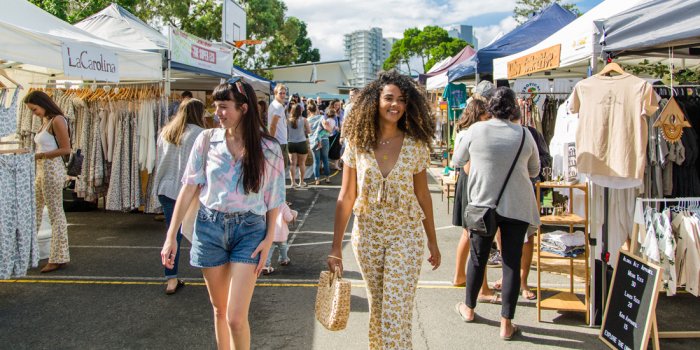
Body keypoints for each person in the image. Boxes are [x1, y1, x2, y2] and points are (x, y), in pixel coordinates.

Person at [160, 79, 285, 350]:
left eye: (224, 107)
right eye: (215, 107)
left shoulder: (269, 148)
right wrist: (171, 236)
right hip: (209, 227)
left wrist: (268, 241)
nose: (217, 113)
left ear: (244, 108)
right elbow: (189, 187)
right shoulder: (206, 140)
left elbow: (274, 197)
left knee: (236, 317)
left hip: (250, 229)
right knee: (219, 310)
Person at [328, 70, 440, 349]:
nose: (396, 105)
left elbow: (423, 194)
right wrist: (335, 247)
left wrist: (433, 240)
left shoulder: (416, 145)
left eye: (401, 100)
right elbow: (346, 195)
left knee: (395, 309)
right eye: (389, 98)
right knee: (379, 309)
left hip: (406, 235)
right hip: (367, 237)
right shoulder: (357, 143)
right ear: (374, 101)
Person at [452, 87, 540, 340]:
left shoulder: (476, 130)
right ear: (514, 108)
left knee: (478, 258)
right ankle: (506, 324)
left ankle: (468, 308)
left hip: (482, 204)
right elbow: (534, 171)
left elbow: (458, 160)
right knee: (511, 262)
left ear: (490, 107)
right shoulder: (524, 134)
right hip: (517, 205)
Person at [154, 98, 206, 294]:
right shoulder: (201, 134)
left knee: (172, 234)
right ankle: (208, 272)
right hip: (191, 191)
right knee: (199, 232)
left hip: (166, 188)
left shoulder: (166, 133)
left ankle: (171, 279)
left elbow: (159, 161)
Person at [451, 99, 499, 302]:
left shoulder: (464, 132)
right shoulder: (474, 133)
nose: (489, 120)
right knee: (478, 236)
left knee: (468, 233)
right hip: (473, 184)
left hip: (466, 183)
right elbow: (467, 165)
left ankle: (459, 275)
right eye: (487, 116)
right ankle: (483, 288)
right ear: (479, 116)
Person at [24, 91, 71, 273]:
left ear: (42, 104)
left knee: (55, 213)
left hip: (51, 169)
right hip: (43, 169)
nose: (33, 113)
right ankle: (30, 252)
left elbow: (66, 149)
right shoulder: (46, 121)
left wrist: (40, 155)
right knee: (35, 209)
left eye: (34, 109)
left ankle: (58, 256)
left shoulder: (57, 120)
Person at [262, 201, 297, 274]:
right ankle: (284, 259)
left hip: (269, 233)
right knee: (283, 248)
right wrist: (293, 215)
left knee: (268, 250)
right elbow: (289, 218)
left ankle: (266, 265)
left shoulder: (266, 203)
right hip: (281, 234)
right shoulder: (283, 205)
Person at [268, 84, 290, 181]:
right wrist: (271, 142)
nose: (282, 95)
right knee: (280, 169)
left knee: (276, 169)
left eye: (284, 93)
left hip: (279, 141)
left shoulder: (274, 105)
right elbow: (273, 126)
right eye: (280, 93)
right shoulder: (278, 106)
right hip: (279, 142)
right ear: (275, 93)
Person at [286, 104, 311, 188]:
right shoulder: (304, 120)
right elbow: (309, 131)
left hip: (291, 143)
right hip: (301, 142)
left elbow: (286, 132)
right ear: (300, 111)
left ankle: (293, 183)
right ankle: (301, 182)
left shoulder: (288, 120)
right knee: (302, 163)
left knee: (292, 164)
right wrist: (302, 131)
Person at [308, 102, 332, 185]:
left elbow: (307, 132)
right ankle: (327, 178)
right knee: (325, 159)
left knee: (316, 161)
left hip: (313, 141)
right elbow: (326, 127)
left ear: (308, 110)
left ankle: (317, 179)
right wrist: (329, 129)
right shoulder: (321, 117)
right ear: (317, 109)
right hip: (324, 139)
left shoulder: (307, 120)